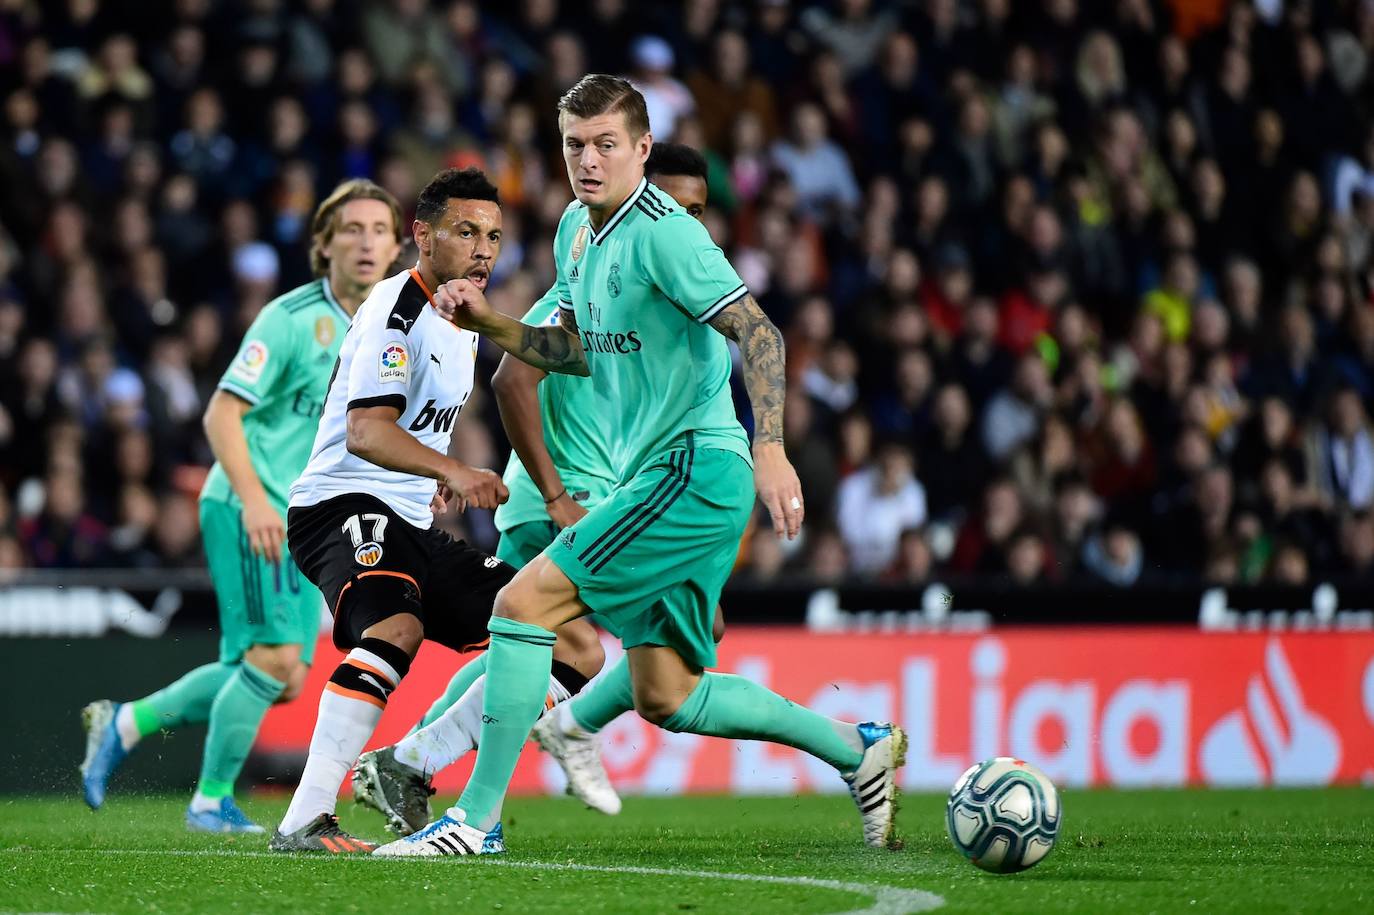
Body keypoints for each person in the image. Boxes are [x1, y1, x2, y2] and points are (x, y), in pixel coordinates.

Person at [375, 75, 903, 858]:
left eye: (606, 145)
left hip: (694, 470)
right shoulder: (576, 234)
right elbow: (572, 351)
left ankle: (473, 820)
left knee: (523, 605)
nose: (588, 161)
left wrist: (771, 448)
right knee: (665, 693)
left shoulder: (666, 232)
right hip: (655, 478)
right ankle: (858, 749)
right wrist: (492, 321)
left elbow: (760, 334)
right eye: (574, 146)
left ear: (643, 150)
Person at [351, 143, 720, 833]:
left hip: (596, 501)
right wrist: (547, 494)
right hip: (556, 504)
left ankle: (417, 767)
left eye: (696, 212)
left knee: (546, 646)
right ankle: (432, 777)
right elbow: (512, 378)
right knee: (574, 647)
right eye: (669, 209)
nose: (681, 226)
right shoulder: (577, 299)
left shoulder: (654, 311)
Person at [267, 167, 604, 854]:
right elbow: (364, 431)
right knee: (395, 624)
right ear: (421, 234)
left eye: (494, 237)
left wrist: (429, 469)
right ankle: (303, 817)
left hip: (406, 518)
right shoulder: (399, 307)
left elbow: (416, 422)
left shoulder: (465, 319)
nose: (483, 250)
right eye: (466, 232)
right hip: (338, 503)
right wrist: (451, 467)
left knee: (573, 645)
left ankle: (408, 761)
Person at [78, 179, 405, 834]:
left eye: (379, 230)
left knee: (267, 673)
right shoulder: (291, 319)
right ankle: (209, 800)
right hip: (251, 503)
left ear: (398, 247)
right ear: (322, 244)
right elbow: (222, 411)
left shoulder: (389, 330)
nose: (366, 242)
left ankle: (126, 720)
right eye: (351, 229)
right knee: (278, 661)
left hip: (307, 518)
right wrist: (257, 500)